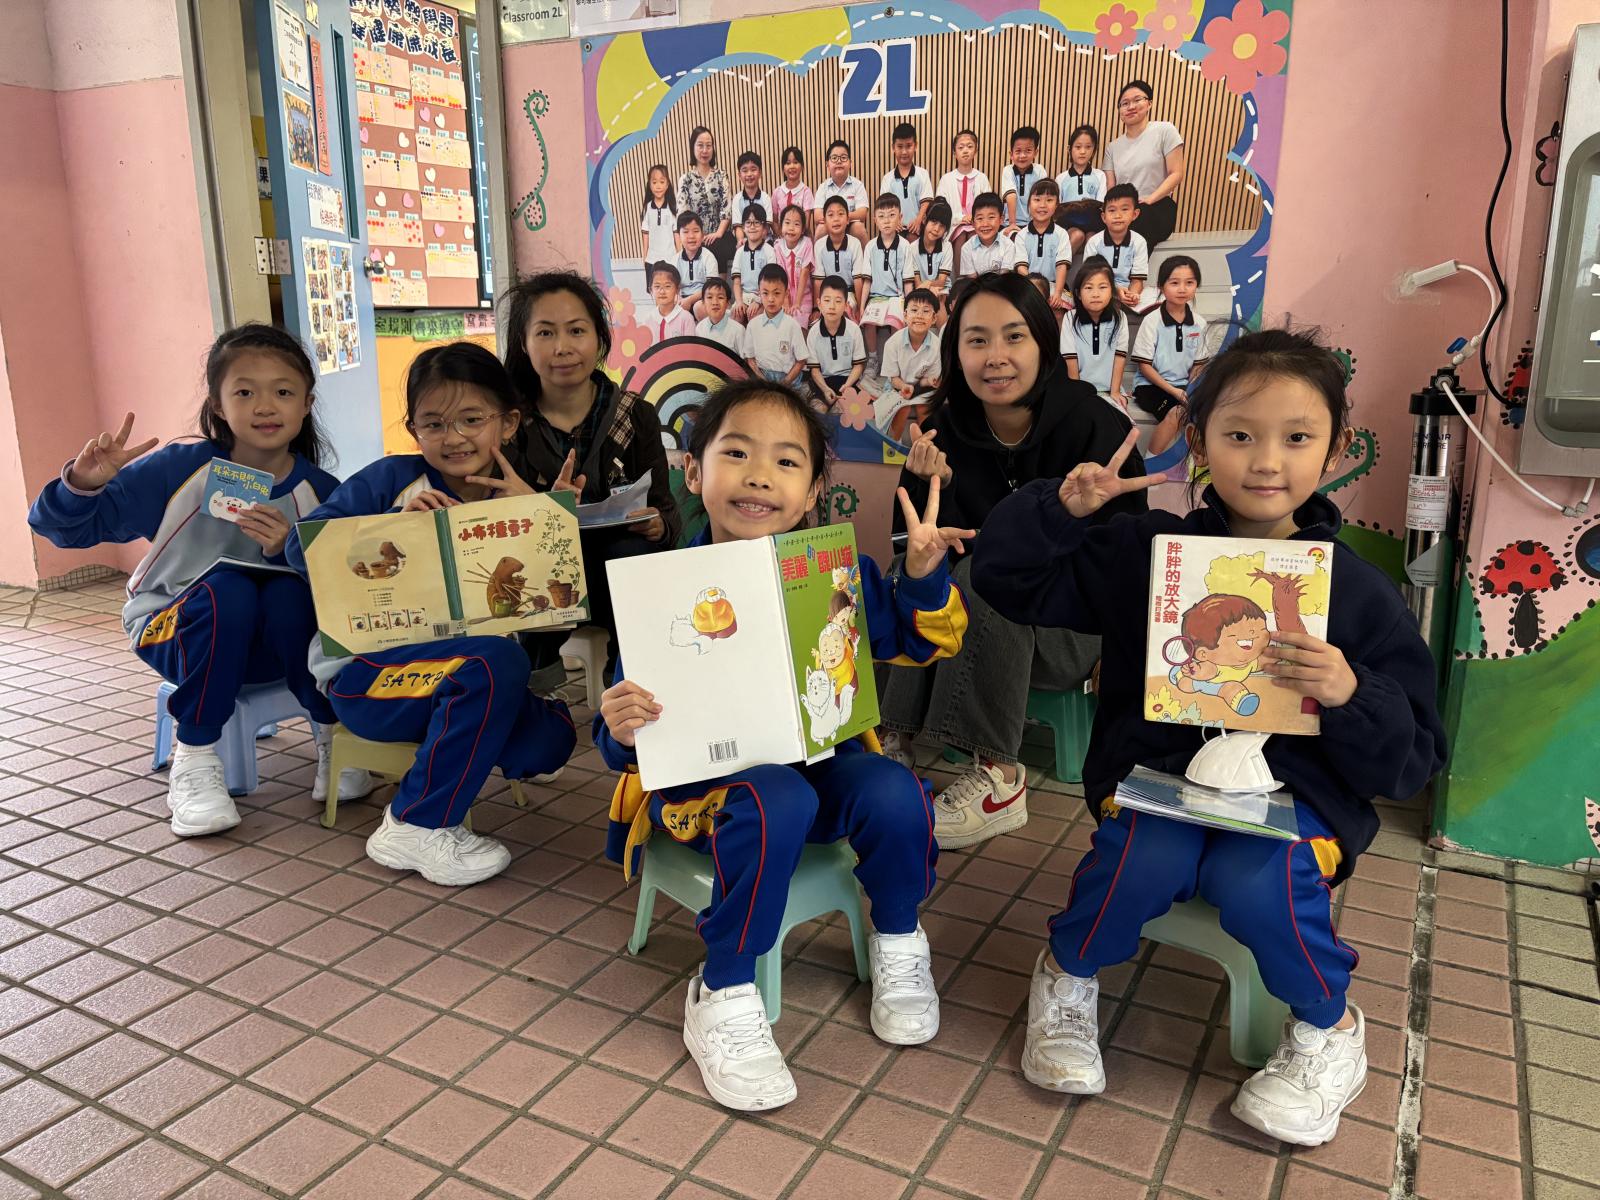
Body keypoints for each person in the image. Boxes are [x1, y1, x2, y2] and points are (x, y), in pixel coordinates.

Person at [971, 326, 1446, 1146]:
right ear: (1198, 443)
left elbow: (1413, 760)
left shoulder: (1359, 592)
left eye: (1297, 438)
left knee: (1261, 878)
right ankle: (1067, 977)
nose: (1267, 462)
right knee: (1143, 854)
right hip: (1158, 782)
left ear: (1335, 451)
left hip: (1296, 802)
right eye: (1240, 436)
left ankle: (1329, 1030)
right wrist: (1058, 509)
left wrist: (1350, 692)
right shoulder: (1149, 552)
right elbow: (1007, 582)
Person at [597, 377, 972, 1111]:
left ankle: (899, 938)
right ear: (693, 471)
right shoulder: (661, 589)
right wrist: (620, 726)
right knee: (778, 796)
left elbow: (919, 645)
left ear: (812, 491)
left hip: (820, 775)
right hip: (710, 797)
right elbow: (622, 743)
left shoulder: (834, 574)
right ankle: (723, 989)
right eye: (736, 453)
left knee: (893, 788)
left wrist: (923, 577)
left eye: (787, 461)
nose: (760, 475)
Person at [28, 324, 368, 838]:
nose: (265, 406)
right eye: (244, 392)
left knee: (286, 593)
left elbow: (346, 590)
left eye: (283, 392)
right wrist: (83, 485)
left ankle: (331, 736)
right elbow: (61, 530)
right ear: (218, 405)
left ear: (306, 404)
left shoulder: (324, 491)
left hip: (275, 650)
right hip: (173, 632)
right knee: (229, 590)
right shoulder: (181, 469)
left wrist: (290, 549)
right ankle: (196, 756)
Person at [286, 343, 578, 885]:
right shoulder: (389, 480)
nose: (455, 436)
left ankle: (449, 761)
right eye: (435, 423)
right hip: (367, 680)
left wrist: (544, 522)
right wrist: (391, 526)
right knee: (494, 663)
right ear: (414, 429)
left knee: (552, 741)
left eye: (472, 419)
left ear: (508, 423)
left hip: (467, 684)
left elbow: (553, 615)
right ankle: (413, 824)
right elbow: (298, 551)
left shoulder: (518, 496)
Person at [879, 272, 1146, 849]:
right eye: (977, 340)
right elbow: (908, 540)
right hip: (973, 627)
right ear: (957, 353)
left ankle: (1000, 779)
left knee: (988, 576)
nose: (995, 357)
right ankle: (891, 744)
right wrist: (934, 485)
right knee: (909, 573)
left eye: (1014, 336)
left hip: (1071, 631)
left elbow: (1125, 561)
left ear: (1044, 344)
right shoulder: (944, 428)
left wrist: (1122, 649)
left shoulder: (1095, 424)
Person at [502, 272, 680, 688]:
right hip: (543, 583)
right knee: (533, 565)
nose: (562, 347)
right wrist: (543, 509)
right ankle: (537, 688)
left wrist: (657, 525)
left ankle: (627, 678)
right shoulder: (510, 425)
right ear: (524, 343)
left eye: (576, 330)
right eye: (545, 333)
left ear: (599, 338)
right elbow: (497, 529)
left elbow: (667, 511)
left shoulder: (636, 415)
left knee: (631, 553)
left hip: (619, 583)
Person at [1130, 255, 1208, 454]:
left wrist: (1190, 389)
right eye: (1174, 283)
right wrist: (1175, 392)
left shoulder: (1199, 323)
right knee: (1178, 412)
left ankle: (1198, 463)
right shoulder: (1152, 321)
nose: (1182, 289)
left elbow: (1198, 365)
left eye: (1189, 283)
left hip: (1183, 386)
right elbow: (1144, 367)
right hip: (1151, 386)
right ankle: (1150, 462)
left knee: (1209, 410)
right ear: (1161, 286)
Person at [1103, 79, 1186, 250]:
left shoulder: (1164, 130)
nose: (1131, 106)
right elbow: (1111, 189)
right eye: (1125, 103)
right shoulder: (1113, 147)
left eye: (1137, 100)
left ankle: (1133, 269)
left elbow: (1176, 173)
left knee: (1140, 221)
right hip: (1124, 210)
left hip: (1157, 206)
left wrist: (1149, 200)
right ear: (1119, 111)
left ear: (1149, 103)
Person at [856, 194, 915, 373]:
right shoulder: (870, 246)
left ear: (900, 217)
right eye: (881, 216)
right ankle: (873, 358)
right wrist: (861, 307)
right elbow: (867, 281)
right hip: (876, 297)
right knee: (869, 321)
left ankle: (893, 361)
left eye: (891, 215)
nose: (887, 221)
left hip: (897, 298)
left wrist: (908, 306)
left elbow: (908, 282)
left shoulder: (905, 246)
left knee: (896, 322)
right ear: (875, 220)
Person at [1061, 256, 1130, 410]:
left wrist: (1115, 391)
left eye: (1102, 287)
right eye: (1088, 287)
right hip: (1080, 389)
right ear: (1078, 294)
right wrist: (1078, 394)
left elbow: (1120, 357)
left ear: (1112, 291)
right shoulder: (1070, 318)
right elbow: (1071, 360)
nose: (1096, 294)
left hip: (1110, 389)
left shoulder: (1120, 318)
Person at [875, 288, 942, 439]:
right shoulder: (893, 343)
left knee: (924, 407)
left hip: (922, 388)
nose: (919, 315)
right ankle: (894, 444)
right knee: (903, 408)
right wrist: (903, 386)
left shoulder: (937, 346)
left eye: (926, 311)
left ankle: (925, 444)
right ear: (905, 315)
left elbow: (927, 381)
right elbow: (893, 378)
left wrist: (930, 381)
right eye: (914, 310)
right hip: (897, 386)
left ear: (934, 318)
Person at [1083, 184, 1150, 310]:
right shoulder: (1094, 242)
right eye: (1112, 210)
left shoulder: (1139, 242)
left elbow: (1137, 280)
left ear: (1135, 214)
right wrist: (1115, 292)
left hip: (1127, 291)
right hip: (1100, 290)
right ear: (1104, 217)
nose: (1118, 216)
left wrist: (1132, 295)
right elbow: (1090, 277)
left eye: (1124, 209)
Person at [677, 125, 734, 271]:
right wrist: (696, 236)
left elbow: (726, 209)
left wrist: (718, 233)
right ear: (692, 147)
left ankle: (719, 286)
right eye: (700, 145)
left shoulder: (721, 176)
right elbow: (683, 214)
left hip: (720, 235)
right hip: (695, 237)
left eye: (708, 146)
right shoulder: (686, 179)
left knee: (718, 248)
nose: (705, 150)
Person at [807, 275, 867, 406]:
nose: (832, 306)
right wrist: (825, 389)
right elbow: (815, 370)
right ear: (819, 304)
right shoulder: (813, 332)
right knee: (817, 409)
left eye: (838, 301)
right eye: (827, 300)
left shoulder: (854, 330)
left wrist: (847, 386)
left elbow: (858, 366)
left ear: (846, 305)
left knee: (845, 411)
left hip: (849, 382)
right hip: (822, 383)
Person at [1015, 178, 1071, 314]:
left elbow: (1061, 266)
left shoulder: (1061, 234)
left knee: (1057, 313)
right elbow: (1021, 268)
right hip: (1029, 285)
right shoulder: (1022, 235)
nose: (1042, 205)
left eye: (1049, 200)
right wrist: (1036, 287)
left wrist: (1057, 293)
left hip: (1055, 286)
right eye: (1037, 199)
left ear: (1057, 205)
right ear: (1029, 204)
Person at [745, 264, 807, 386]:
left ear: (786, 293)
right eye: (765, 293)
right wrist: (763, 381)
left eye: (777, 293)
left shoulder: (792, 325)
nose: (771, 299)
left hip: (788, 381)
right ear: (759, 293)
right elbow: (750, 359)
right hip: (761, 379)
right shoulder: (753, 325)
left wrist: (784, 383)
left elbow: (801, 361)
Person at [952, 193, 1024, 297]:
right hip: (977, 294)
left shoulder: (1008, 245)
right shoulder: (967, 248)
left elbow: (1004, 279)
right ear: (973, 223)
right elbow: (973, 281)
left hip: (1001, 293)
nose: (985, 224)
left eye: (991, 217)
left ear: (1001, 220)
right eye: (980, 218)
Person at [936, 129, 991, 262]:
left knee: (972, 234)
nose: (965, 151)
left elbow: (989, 205)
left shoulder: (982, 178)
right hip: (954, 225)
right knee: (961, 235)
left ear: (976, 151)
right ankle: (959, 275)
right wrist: (960, 218)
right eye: (961, 147)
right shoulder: (946, 179)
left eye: (970, 146)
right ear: (955, 153)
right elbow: (940, 208)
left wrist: (975, 217)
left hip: (978, 224)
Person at [1055, 124, 1107, 254]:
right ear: (1070, 149)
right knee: (1077, 235)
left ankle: (1090, 269)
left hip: (1093, 223)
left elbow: (1101, 202)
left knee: (1092, 240)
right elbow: (1057, 207)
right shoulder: (1061, 178)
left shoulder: (1100, 175)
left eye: (1088, 147)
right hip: (1069, 223)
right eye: (1078, 147)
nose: (1083, 151)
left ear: (1094, 150)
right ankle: (1058, 266)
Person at [814, 196, 864, 317]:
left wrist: (860, 308)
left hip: (849, 293)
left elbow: (858, 280)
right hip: (828, 293)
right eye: (831, 215)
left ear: (847, 219)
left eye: (841, 214)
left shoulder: (855, 244)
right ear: (824, 221)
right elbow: (818, 281)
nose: (836, 219)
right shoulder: (819, 245)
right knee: (827, 313)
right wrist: (816, 308)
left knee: (844, 311)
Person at [881, 121, 933, 237]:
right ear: (893, 147)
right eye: (900, 146)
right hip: (894, 228)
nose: (904, 152)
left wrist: (918, 220)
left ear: (915, 146)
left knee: (912, 240)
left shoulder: (923, 174)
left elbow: (926, 202)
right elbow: (885, 206)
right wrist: (893, 222)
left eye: (909, 146)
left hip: (917, 228)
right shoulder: (887, 178)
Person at [814, 139, 871, 244]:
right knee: (821, 228)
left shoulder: (858, 185)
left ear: (850, 163)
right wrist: (836, 219)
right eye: (834, 158)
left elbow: (862, 213)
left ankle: (866, 256)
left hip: (850, 225)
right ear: (827, 164)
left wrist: (842, 218)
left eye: (843, 158)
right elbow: (817, 216)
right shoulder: (823, 187)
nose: (839, 161)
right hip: (830, 227)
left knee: (858, 227)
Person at [730, 204, 777, 322]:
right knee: (736, 315)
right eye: (748, 223)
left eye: (756, 222)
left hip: (763, 296)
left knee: (754, 317)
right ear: (743, 227)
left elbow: (770, 282)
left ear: (764, 228)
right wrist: (739, 302)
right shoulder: (740, 252)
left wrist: (758, 301)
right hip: (744, 296)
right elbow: (736, 282)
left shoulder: (769, 251)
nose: (752, 227)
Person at [1001, 125, 1050, 235]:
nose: (1022, 155)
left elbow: (1042, 199)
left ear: (1035, 152)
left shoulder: (1040, 170)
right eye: (1018, 151)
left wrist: (1039, 223)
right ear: (1011, 154)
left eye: (1028, 151)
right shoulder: (1008, 170)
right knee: (1013, 238)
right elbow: (1011, 196)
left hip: (1035, 222)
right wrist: (1012, 224)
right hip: (1010, 222)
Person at [773, 203, 815, 327]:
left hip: (803, 296)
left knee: (799, 321)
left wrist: (797, 302)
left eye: (796, 224)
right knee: (782, 323)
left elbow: (804, 273)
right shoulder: (778, 246)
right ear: (781, 226)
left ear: (802, 230)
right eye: (787, 223)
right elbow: (780, 275)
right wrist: (785, 300)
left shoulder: (807, 244)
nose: (791, 228)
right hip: (783, 294)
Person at [913, 199, 954, 319]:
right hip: (921, 289)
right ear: (924, 219)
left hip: (942, 290)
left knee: (939, 300)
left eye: (942, 226)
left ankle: (942, 331)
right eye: (934, 222)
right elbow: (918, 283)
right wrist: (928, 286)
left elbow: (941, 282)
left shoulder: (947, 247)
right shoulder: (912, 248)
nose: (936, 229)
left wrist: (928, 283)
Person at [640, 164, 678, 278]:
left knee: (671, 287)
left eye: (662, 182)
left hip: (671, 259)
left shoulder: (673, 208)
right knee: (653, 288)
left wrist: (679, 257)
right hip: (651, 260)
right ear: (649, 185)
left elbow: (677, 236)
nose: (658, 186)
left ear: (667, 184)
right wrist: (644, 258)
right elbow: (645, 236)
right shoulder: (647, 208)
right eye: (654, 182)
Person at [673, 212, 714, 317]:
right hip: (683, 299)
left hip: (703, 298)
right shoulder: (675, 260)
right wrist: (678, 298)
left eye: (696, 231)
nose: (691, 236)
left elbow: (711, 287)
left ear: (702, 235)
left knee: (699, 307)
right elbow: (673, 286)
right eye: (685, 232)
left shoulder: (708, 257)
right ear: (679, 236)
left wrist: (690, 300)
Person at [695, 277, 748, 357]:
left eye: (720, 297)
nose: (715, 302)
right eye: (709, 297)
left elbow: (744, 361)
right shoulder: (699, 328)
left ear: (727, 303)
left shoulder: (738, 331)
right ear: (703, 302)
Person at [645, 263, 697, 342]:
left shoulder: (686, 318)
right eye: (657, 286)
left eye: (667, 286)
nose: (662, 291)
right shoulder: (648, 320)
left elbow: (690, 347)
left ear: (677, 289)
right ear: (651, 290)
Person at [772, 146, 815, 236]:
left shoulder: (806, 192)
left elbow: (806, 224)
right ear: (783, 168)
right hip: (782, 237)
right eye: (788, 163)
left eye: (795, 162)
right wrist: (782, 236)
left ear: (802, 166)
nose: (792, 166)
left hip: (801, 237)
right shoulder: (777, 192)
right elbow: (774, 221)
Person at [731, 151, 771, 248]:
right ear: (739, 175)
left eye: (753, 169)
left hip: (763, 241)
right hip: (744, 242)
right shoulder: (737, 199)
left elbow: (766, 226)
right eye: (745, 171)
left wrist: (755, 241)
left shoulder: (765, 198)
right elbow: (738, 227)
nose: (749, 174)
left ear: (760, 173)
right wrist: (741, 240)